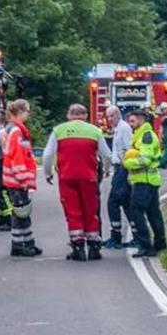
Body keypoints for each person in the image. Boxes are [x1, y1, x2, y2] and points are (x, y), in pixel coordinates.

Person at [42, 104, 111, 261]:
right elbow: (106, 155)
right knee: (90, 211)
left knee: (73, 212)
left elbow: (47, 155)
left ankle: (78, 247)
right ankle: (94, 247)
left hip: (67, 177)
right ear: (85, 115)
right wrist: (107, 170)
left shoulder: (59, 130)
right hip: (89, 177)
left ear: (69, 115)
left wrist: (47, 173)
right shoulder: (94, 131)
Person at [0, 99, 42, 257]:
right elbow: (17, 158)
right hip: (17, 181)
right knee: (20, 213)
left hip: (15, 180)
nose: (29, 114)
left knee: (23, 212)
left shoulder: (14, 130)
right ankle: (18, 245)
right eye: (27, 111)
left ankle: (28, 242)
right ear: (20, 112)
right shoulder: (17, 132)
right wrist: (24, 180)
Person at [123, 108, 167, 257]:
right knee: (153, 213)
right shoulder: (141, 135)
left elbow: (145, 159)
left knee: (136, 212)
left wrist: (128, 163)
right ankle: (160, 244)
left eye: (133, 121)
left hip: (144, 181)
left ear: (142, 120)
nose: (130, 124)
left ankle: (145, 245)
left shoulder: (146, 136)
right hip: (148, 180)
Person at [102, 105, 134, 249]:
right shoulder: (117, 129)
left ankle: (116, 236)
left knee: (113, 203)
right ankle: (135, 234)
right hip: (119, 168)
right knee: (126, 203)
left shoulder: (124, 128)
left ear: (118, 115)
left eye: (112, 116)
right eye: (108, 116)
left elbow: (127, 149)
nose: (109, 119)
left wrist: (124, 170)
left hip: (123, 168)